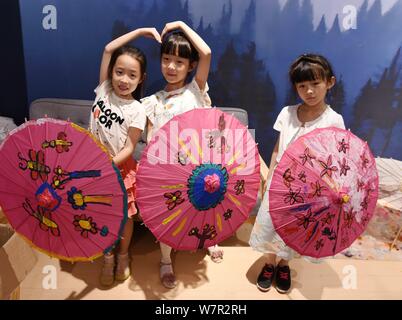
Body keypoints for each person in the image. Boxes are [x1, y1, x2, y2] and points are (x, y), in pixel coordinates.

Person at [249, 53, 346, 294]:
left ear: (329, 82)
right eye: (303, 86)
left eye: (315, 84)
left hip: (307, 189)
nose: (309, 91)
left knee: (293, 228)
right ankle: (269, 263)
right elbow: (276, 146)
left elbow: (334, 160)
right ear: (296, 88)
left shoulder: (334, 120)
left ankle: (284, 264)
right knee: (271, 224)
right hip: (278, 184)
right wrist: (269, 176)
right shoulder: (287, 113)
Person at [141, 21, 224, 289]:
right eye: (166, 59)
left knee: (204, 208)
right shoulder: (153, 101)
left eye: (179, 61)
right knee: (169, 215)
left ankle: (208, 239)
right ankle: (166, 259)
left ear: (190, 66)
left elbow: (207, 53)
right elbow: (151, 136)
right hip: (168, 169)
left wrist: (179, 25)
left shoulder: (195, 89)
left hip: (201, 166)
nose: (171, 67)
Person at [89, 27, 161, 287]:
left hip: (119, 169)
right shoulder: (103, 90)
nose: (124, 79)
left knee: (125, 216)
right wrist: (141, 32)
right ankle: (107, 256)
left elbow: (130, 147)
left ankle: (122, 255)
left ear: (141, 79)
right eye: (119, 72)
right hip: (89, 168)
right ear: (111, 74)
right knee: (99, 214)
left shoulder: (137, 109)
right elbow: (109, 49)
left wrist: (107, 165)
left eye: (132, 75)